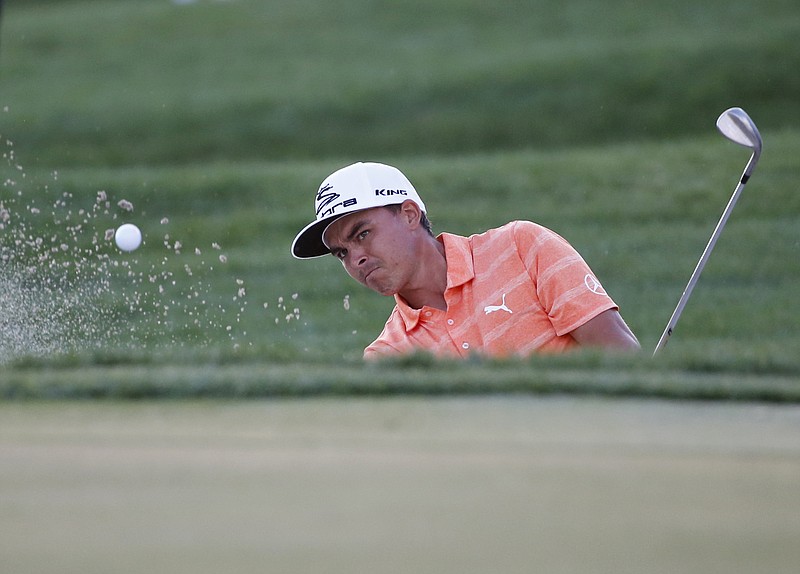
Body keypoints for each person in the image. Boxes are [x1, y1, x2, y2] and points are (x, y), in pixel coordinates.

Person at [292, 162, 640, 359]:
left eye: (362, 234)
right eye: (342, 253)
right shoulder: (388, 357)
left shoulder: (521, 245)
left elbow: (620, 355)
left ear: (410, 214)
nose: (356, 259)